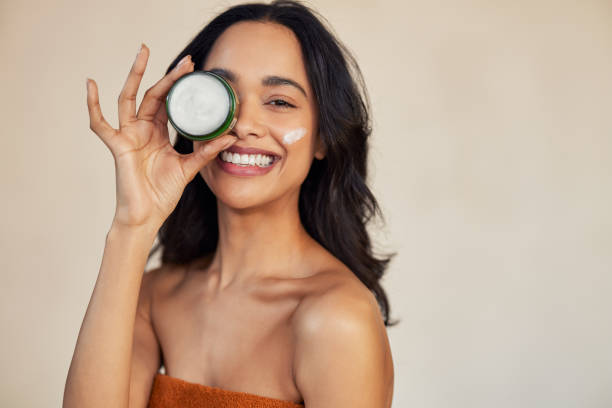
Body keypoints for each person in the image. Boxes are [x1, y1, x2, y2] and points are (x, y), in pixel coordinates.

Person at [64, 1, 397, 407]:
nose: (241, 124)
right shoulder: (155, 296)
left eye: (279, 101)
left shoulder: (336, 317)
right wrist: (133, 224)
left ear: (324, 137)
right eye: (220, 94)